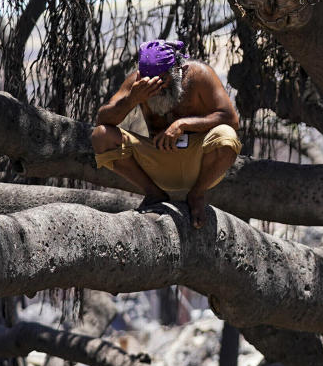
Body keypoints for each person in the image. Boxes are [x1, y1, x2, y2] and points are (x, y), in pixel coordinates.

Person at [91, 39, 241, 229]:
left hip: (199, 163)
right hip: (158, 162)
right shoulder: (138, 84)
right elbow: (102, 120)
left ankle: (197, 194)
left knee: (226, 136)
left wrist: (183, 124)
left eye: (163, 79)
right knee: (101, 135)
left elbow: (232, 120)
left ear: (178, 69)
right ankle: (154, 193)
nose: (157, 87)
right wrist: (131, 99)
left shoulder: (200, 75)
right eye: (151, 81)